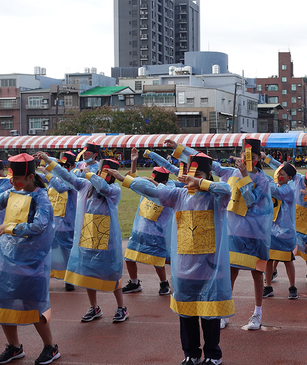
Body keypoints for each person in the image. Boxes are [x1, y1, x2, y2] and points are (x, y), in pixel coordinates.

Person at [109, 153, 232, 365]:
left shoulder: (215, 198)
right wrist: (124, 179)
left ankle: (213, 355)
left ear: (208, 175)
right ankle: (191, 353)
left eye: (199, 173)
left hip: (210, 269)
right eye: (190, 174)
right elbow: (151, 189)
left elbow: (226, 189)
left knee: (210, 314)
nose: (191, 178)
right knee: (186, 313)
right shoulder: (178, 196)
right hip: (184, 268)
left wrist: (199, 183)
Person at [169, 139, 272, 331]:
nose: (247, 159)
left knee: (257, 274)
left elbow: (250, 201)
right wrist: (179, 149)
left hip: (255, 236)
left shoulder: (264, 180)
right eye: (244, 154)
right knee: (229, 272)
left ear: (258, 159)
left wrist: (243, 176)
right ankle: (223, 312)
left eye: (253, 156)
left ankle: (257, 313)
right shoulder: (229, 172)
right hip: (233, 233)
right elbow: (207, 163)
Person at [36, 152, 128, 323]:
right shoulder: (85, 185)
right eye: (103, 172)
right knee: (87, 271)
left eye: (107, 173)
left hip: (108, 239)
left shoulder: (114, 190)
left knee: (113, 273)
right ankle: (94, 307)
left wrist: (89, 173)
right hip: (87, 234)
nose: (103, 175)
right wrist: (49, 161)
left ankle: (121, 307)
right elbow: (65, 176)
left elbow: (103, 187)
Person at [0, 153, 60, 365]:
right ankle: (14, 347)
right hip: (8, 259)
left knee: (35, 304)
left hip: (33, 262)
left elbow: (38, 226)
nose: (14, 182)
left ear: (30, 177)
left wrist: (8, 228)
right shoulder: (12, 192)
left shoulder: (41, 198)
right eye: (12, 178)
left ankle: (50, 347)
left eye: (17, 178)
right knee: (3, 302)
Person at [264, 155, 307, 286]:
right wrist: (266, 158)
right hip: (292, 218)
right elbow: (280, 167)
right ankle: (274, 270)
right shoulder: (297, 178)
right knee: (282, 247)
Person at [120, 148, 173, 296]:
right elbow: (135, 179)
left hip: (157, 233)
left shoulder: (167, 192)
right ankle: (134, 282)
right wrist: (134, 162)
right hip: (140, 229)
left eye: (153, 179)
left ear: (162, 182)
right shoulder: (147, 187)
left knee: (157, 260)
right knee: (129, 257)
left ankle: (164, 283)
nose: (150, 182)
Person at [39, 151, 79, 292]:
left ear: (73, 166)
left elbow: (61, 187)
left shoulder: (74, 177)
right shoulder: (52, 177)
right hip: (51, 223)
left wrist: (48, 173)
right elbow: (40, 178)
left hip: (66, 223)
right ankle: (45, 278)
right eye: (60, 165)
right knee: (46, 251)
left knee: (66, 253)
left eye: (66, 166)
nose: (63, 168)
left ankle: (69, 279)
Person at [262, 160, 298, 300]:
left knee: (288, 260)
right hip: (272, 230)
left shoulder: (288, 189)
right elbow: (269, 180)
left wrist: (260, 180)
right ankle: (268, 286)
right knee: (269, 260)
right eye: (278, 174)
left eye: (282, 174)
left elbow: (273, 189)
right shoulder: (279, 184)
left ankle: (292, 287)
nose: (278, 176)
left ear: (289, 178)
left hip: (285, 233)